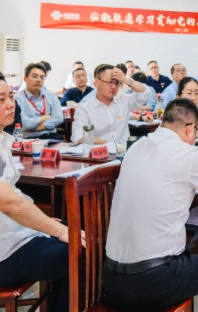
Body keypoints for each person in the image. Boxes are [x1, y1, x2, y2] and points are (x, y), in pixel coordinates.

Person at [102, 99, 198, 311]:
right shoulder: (188, 154)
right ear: (190, 129)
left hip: (110, 281)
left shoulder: (136, 147)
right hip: (151, 281)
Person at [0, 78, 77, 312]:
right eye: (1, 100)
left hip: (12, 235)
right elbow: (10, 203)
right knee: (77, 252)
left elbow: (13, 195)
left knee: (78, 235)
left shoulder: (3, 139)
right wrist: (54, 229)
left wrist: (40, 223)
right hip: (4, 250)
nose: (10, 104)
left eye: (10, 97)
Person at [72, 64, 153, 146]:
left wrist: (125, 79)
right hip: (100, 151)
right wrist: (111, 145)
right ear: (96, 82)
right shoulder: (85, 107)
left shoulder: (123, 100)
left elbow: (146, 94)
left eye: (117, 83)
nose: (114, 87)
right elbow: (78, 137)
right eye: (110, 82)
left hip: (124, 151)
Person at [14, 63, 63, 140]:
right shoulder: (18, 98)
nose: (38, 80)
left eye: (42, 77)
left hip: (51, 136)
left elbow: (59, 118)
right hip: (29, 139)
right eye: (34, 76)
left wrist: (36, 128)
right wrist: (46, 117)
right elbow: (25, 123)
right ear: (25, 78)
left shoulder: (51, 95)